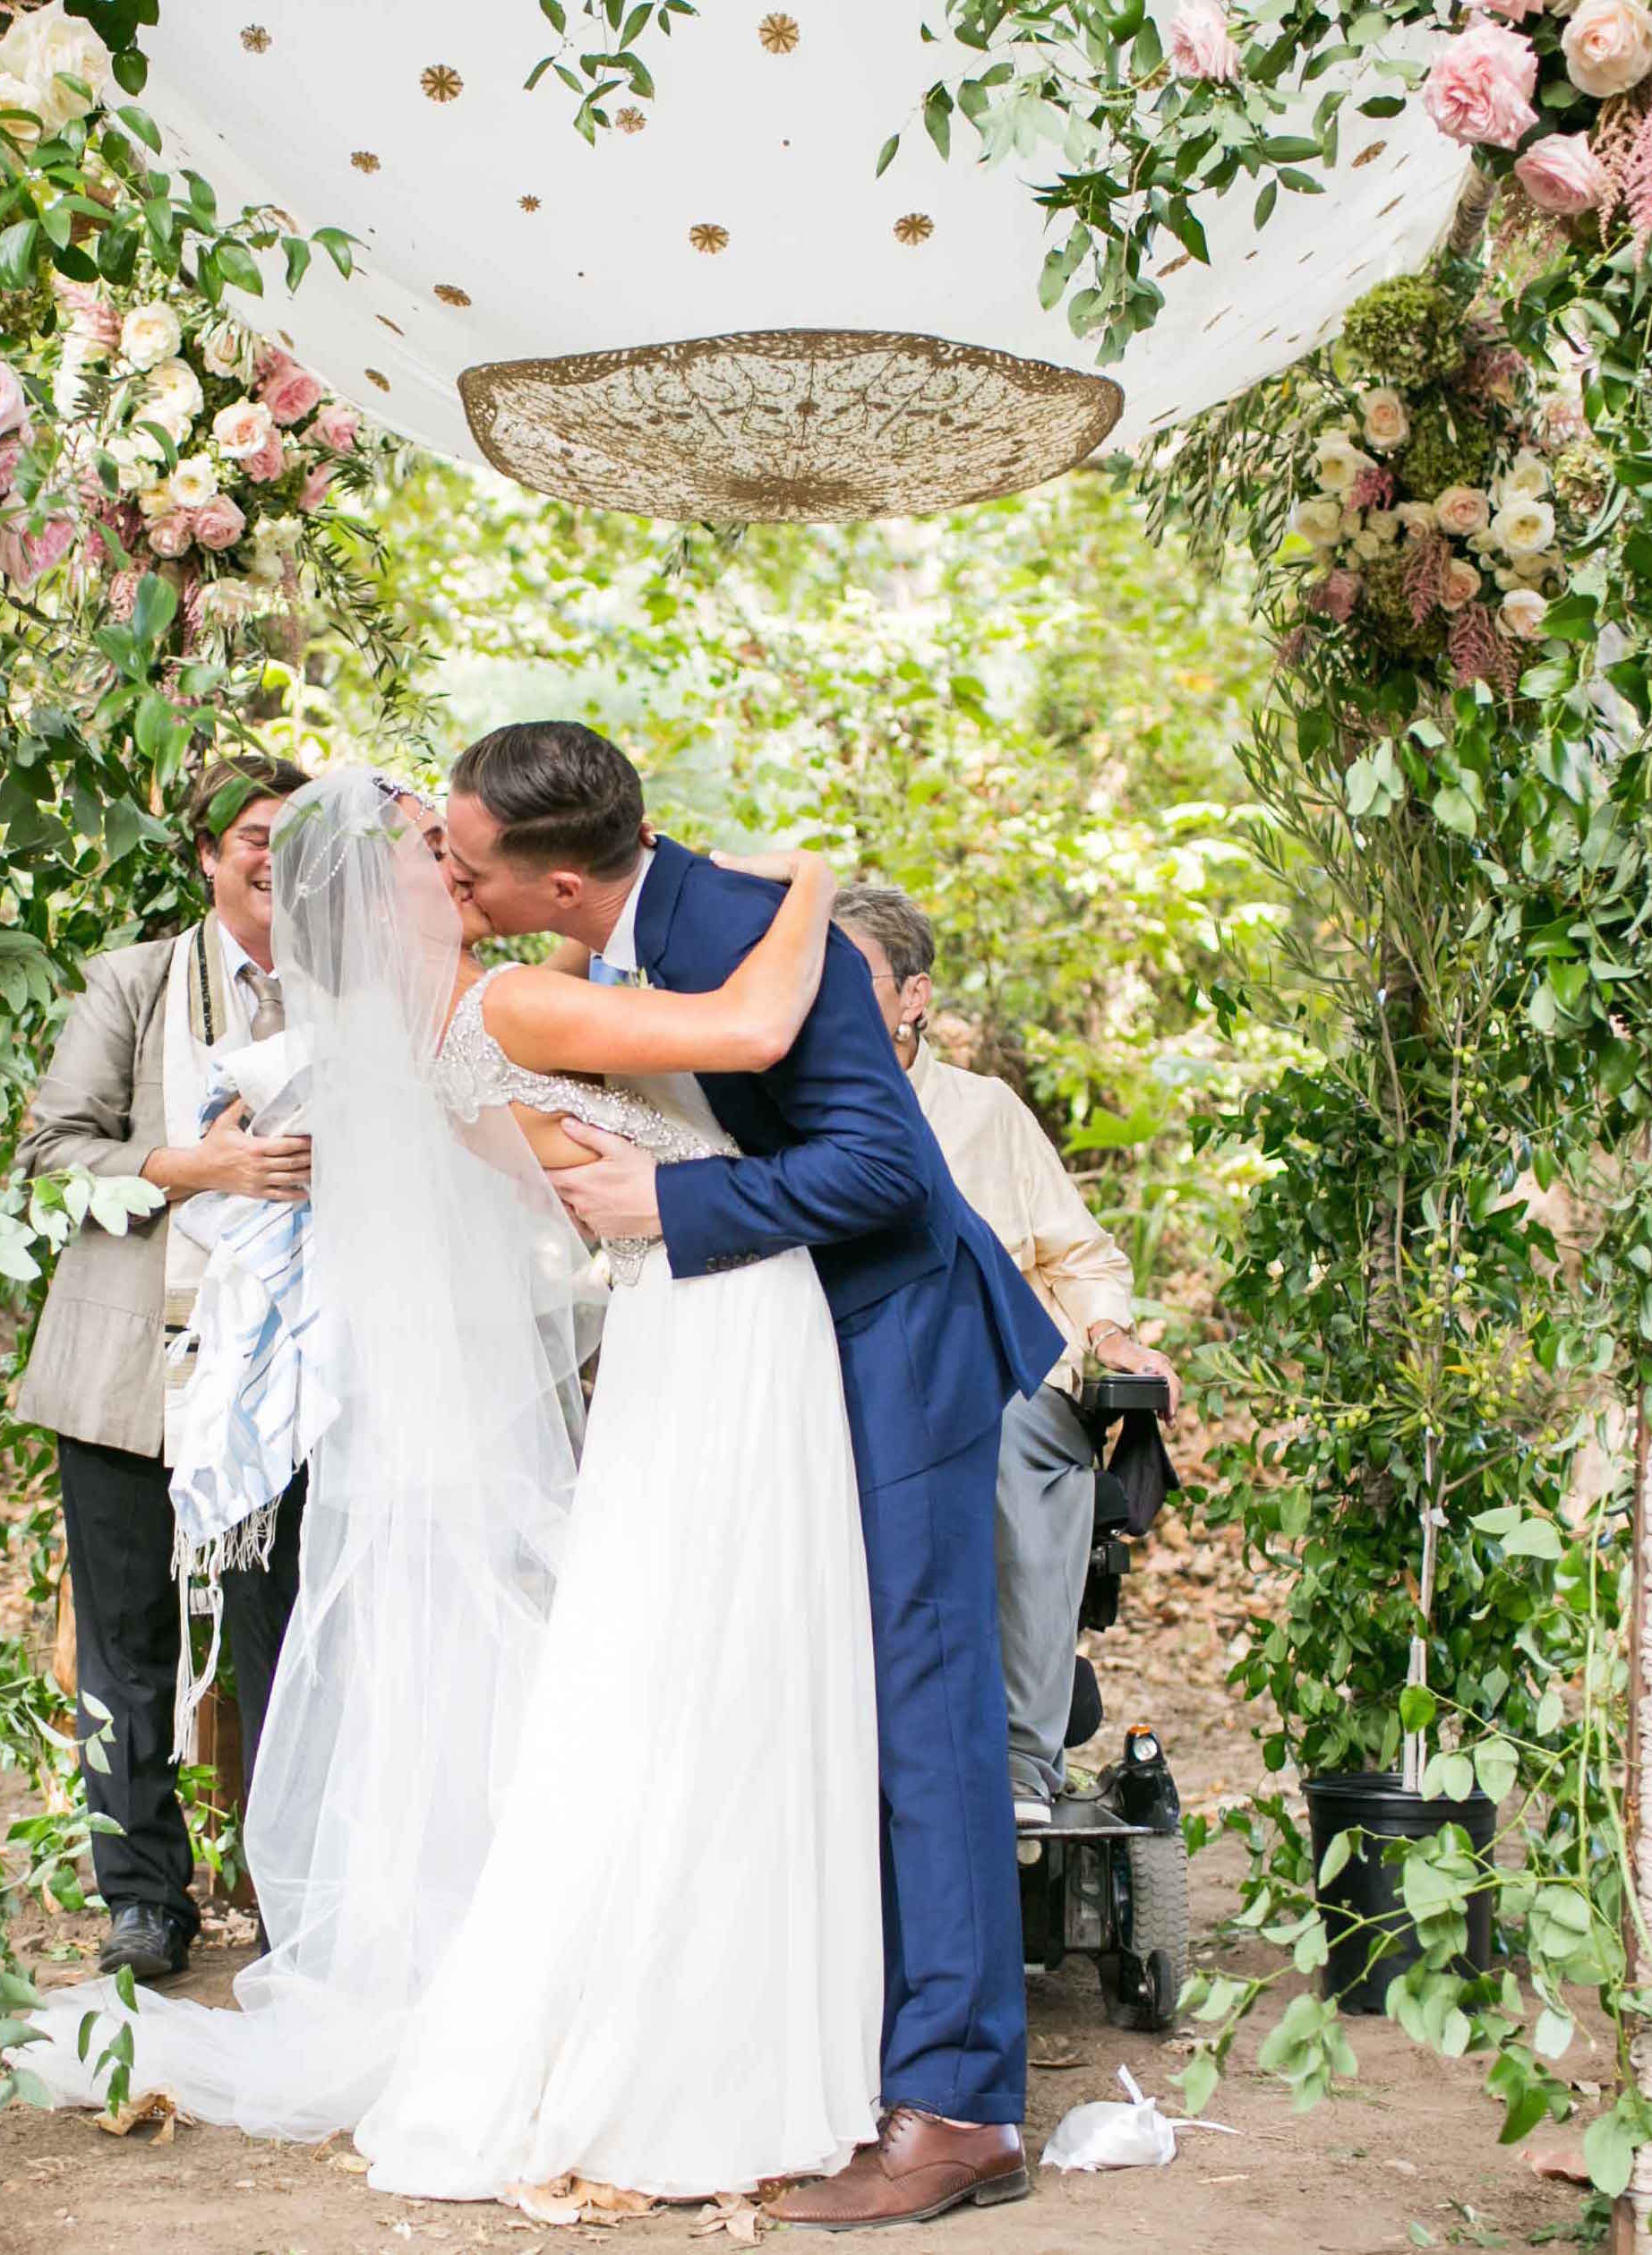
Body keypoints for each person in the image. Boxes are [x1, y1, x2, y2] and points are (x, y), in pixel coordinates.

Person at [13, 765, 886, 2204]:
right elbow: (744, 1028)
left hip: (679, 1308)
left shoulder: (446, 1013)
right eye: (434, 851)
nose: (460, 864)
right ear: (390, 893)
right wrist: (804, 881)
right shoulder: (498, 1009)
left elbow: (574, 998)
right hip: (711, 1310)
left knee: (639, 1658)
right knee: (683, 1651)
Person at [447, 724, 1066, 2232]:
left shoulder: (742, 931)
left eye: (469, 861)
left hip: (901, 1343)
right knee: (818, 1699)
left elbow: (886, 1171)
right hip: (770, 1359)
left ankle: (962, 2105)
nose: (453, 880)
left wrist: (669, 1196)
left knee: (927, 1721)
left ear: (563, 877)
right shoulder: (635, 948)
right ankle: (845, 2042)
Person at [14, 750, 316, 1982]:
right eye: (250, 833)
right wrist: (195, 1167)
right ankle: (143, 1898)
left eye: (293, 837)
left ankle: (293, 1891)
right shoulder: (133, 982)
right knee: (126, 1642)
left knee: (285, 1637)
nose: (269, 855)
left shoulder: (354, 995)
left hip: (287, 1376)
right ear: (206, 854)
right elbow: (47, 1156)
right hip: (130, 1363)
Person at [832, 883, 1180, 1831]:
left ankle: (1024, 1759)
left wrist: (1110, 1333)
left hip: (994, 1369)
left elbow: (1080, 1256)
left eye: (850, 972)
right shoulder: (788, 1106)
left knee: (1018, 1437)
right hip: (841, 1371)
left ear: (914, 997)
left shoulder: (985, 1112)